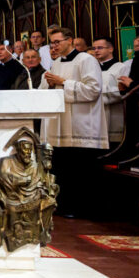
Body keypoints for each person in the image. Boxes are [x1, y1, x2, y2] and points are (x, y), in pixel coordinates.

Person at [39, 27, 106, 218]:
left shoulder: (87, 60)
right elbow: (48, 89)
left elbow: (93, 90)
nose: (54, 46)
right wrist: (51, 84)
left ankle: (84, 209)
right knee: (64, 168)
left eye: (57, 42)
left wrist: (63, 82)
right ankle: (65, 206)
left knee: (81, 170)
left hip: (82, 123)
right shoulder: (57, 62)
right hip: (61, 124)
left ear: (70, 40)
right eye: (52, 42)